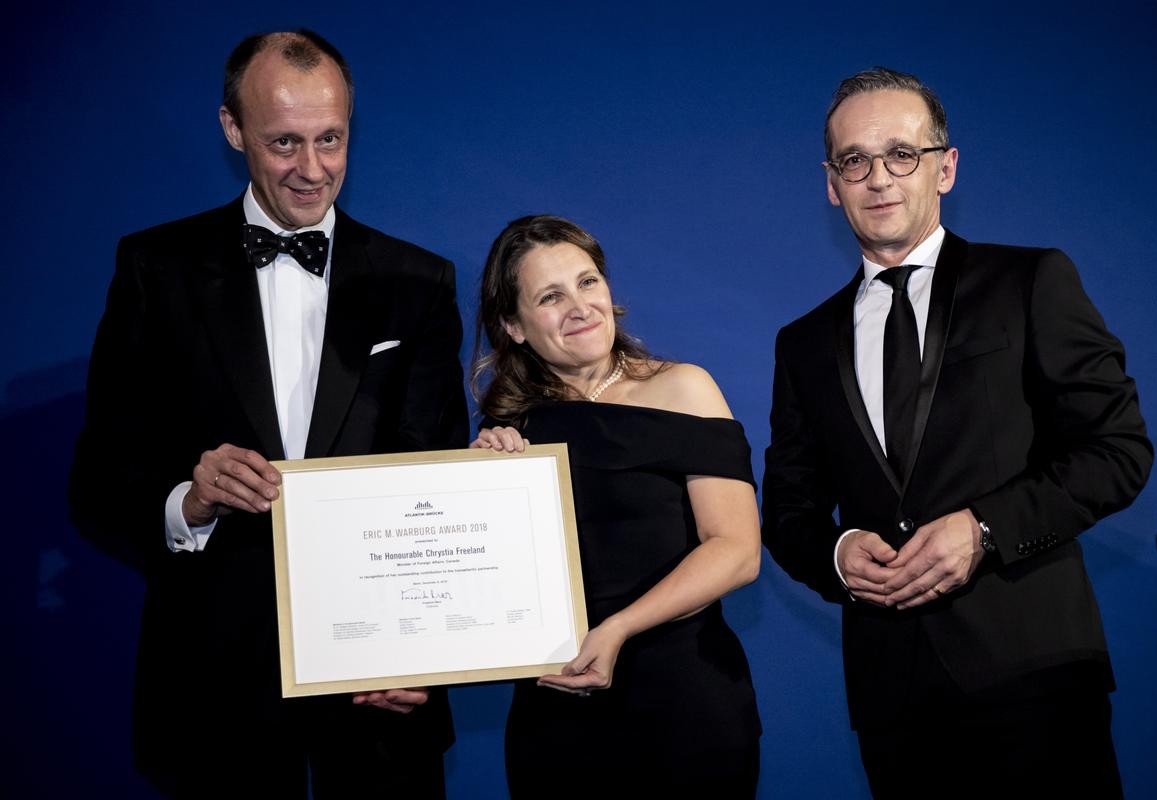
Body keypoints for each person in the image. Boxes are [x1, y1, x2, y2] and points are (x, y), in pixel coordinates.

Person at [68, 30, 466, 798]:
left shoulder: (418, 282)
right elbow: (99, 474)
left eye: (331, 140)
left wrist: (425, 648)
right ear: (232, 129)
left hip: (379, 685)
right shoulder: (156, 270)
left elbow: (434, 480)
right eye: (285, 142)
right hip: (215, 681)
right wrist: (190, 496)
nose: (312, 169)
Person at [762, 67, 1152, 798]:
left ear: (946, 167)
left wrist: (983, 528)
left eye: (901, 154)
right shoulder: (803, 342)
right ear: (830, 183)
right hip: (894, 699)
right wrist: (839, 552)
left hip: (1034, 677)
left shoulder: (1030, 281)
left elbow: (1118, 451)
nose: (878, 177)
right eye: (855, 160)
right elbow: (788, 509)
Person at [471, 215, 762, 797]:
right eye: (550, 297)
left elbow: (737, 552)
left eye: (587, 282)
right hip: (555, 716)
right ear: (515, 325)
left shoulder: (684, 388)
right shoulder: (508, 429)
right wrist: (482, 487)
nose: (580, 306)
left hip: (685, 705)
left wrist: (618, 629)